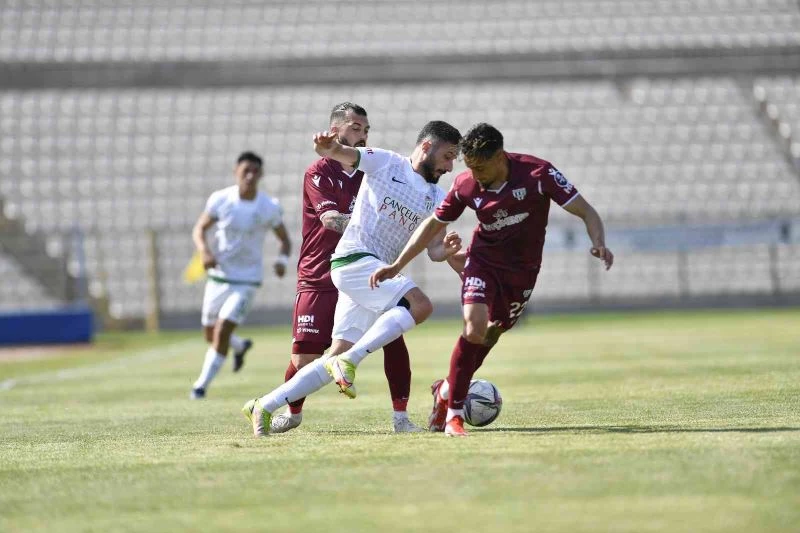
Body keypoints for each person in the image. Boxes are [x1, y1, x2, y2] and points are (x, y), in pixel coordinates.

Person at [370, 123, 615, 436]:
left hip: (522, 272)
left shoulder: (538, 174)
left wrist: (599, 242)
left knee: (490, 334)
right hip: (481, 263)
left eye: (481, 168)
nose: (476, 175)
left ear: (500, 157)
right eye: (470, 167)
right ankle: (454, 417)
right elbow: (431, 225)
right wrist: (397, 265)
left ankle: (445, 390)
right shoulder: (466, 184)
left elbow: (587, 211)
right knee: (474, 327)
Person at [242, 120, 464, 436]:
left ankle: (263, 405)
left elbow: (435, 250)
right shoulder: (386, 162)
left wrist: (447, 249)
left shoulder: (437, 196)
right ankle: (353, 361)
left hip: (372, 274)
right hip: (354, 259)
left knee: (334, 354)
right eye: (448, 156)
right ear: (426, 146)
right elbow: (342, 153)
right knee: (421, 305)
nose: (450, 166)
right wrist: (327, 147)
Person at [271, 102, 423, 434]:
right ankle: (291, 412)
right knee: (304, 358)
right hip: (320, 275)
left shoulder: (372, 171)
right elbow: (329, 220)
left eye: (366, 130)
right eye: (356, 128)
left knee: (393, 336)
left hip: (364, 269)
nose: (363, 135)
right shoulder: (318, 172)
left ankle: (401, 418)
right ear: (334, 131)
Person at [190, 151, 292, 399]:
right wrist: (204, 252)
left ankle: (200, 387)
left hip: (247, 280)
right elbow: (199, 229)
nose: (250, 175)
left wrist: (281, 261)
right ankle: (240, 346)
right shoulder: (220, 199)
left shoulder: (268, 206)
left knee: (223, 329)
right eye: (246, 170)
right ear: (236, 171)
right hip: (219, 276)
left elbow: (285, 240)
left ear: (261, 174)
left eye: (255, 171)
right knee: (210, 333)